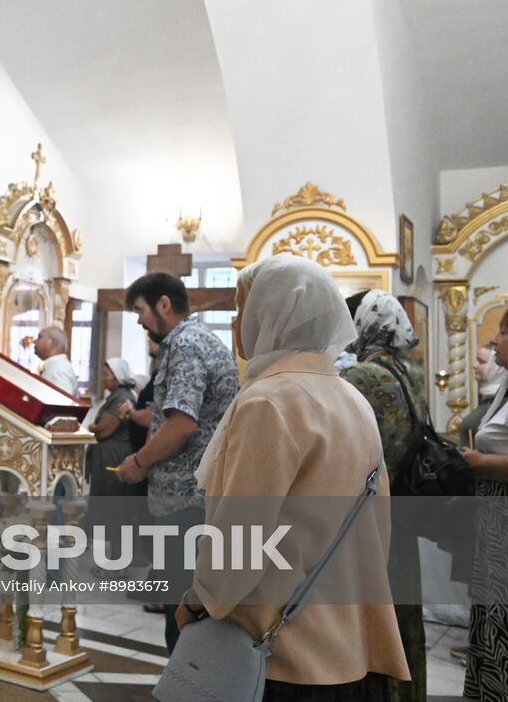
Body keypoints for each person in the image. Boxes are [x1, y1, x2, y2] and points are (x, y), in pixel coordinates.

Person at [179, 254, 410, 700]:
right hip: (341, 643)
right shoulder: (352, 398)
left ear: (272, 313)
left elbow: (240, 540)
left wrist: (197, 600)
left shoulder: (269, 402)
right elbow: (377, 528)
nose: (236, 320)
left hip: (277, 650)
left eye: (242, 306)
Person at [115, 271, 239, 651]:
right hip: (195, 495)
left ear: (163, 305)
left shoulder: (186, 345)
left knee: (182, 609)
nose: (138, 320)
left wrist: (139, 460)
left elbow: (182, 424)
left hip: (188, 498)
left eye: (140, 310)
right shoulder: (193, 341)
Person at [339, 289, 425, 702]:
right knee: (402, 622)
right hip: (401, 515)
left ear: (365, 323)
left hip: (369, 519)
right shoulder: (408, 369)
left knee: (372, 623)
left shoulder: (363, 376)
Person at [459, 306, 508, 701]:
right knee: (497, 626)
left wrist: (479, 462)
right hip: (505, 525)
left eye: (504, 334)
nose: (496, 342)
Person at [84, 358, 137, 562]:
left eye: (107, 375)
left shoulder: (122, 398)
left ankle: (117, 560)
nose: (103, 378)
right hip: (107, 456)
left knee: (113, 509)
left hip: (113, 458)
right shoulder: (115, 397)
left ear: (118, 377)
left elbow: (104, 430)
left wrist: (93, 427)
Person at [458, 342, 508, 445]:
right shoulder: (487, 399)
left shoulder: (504, 400)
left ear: (496, 367)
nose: (474, 365)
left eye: (481, 362)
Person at [34, 326, 76, 392]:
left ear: (53, 342)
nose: (35, 341)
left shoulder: (58, 370)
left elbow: (63, 401)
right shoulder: (56, 366)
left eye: (40, 337)